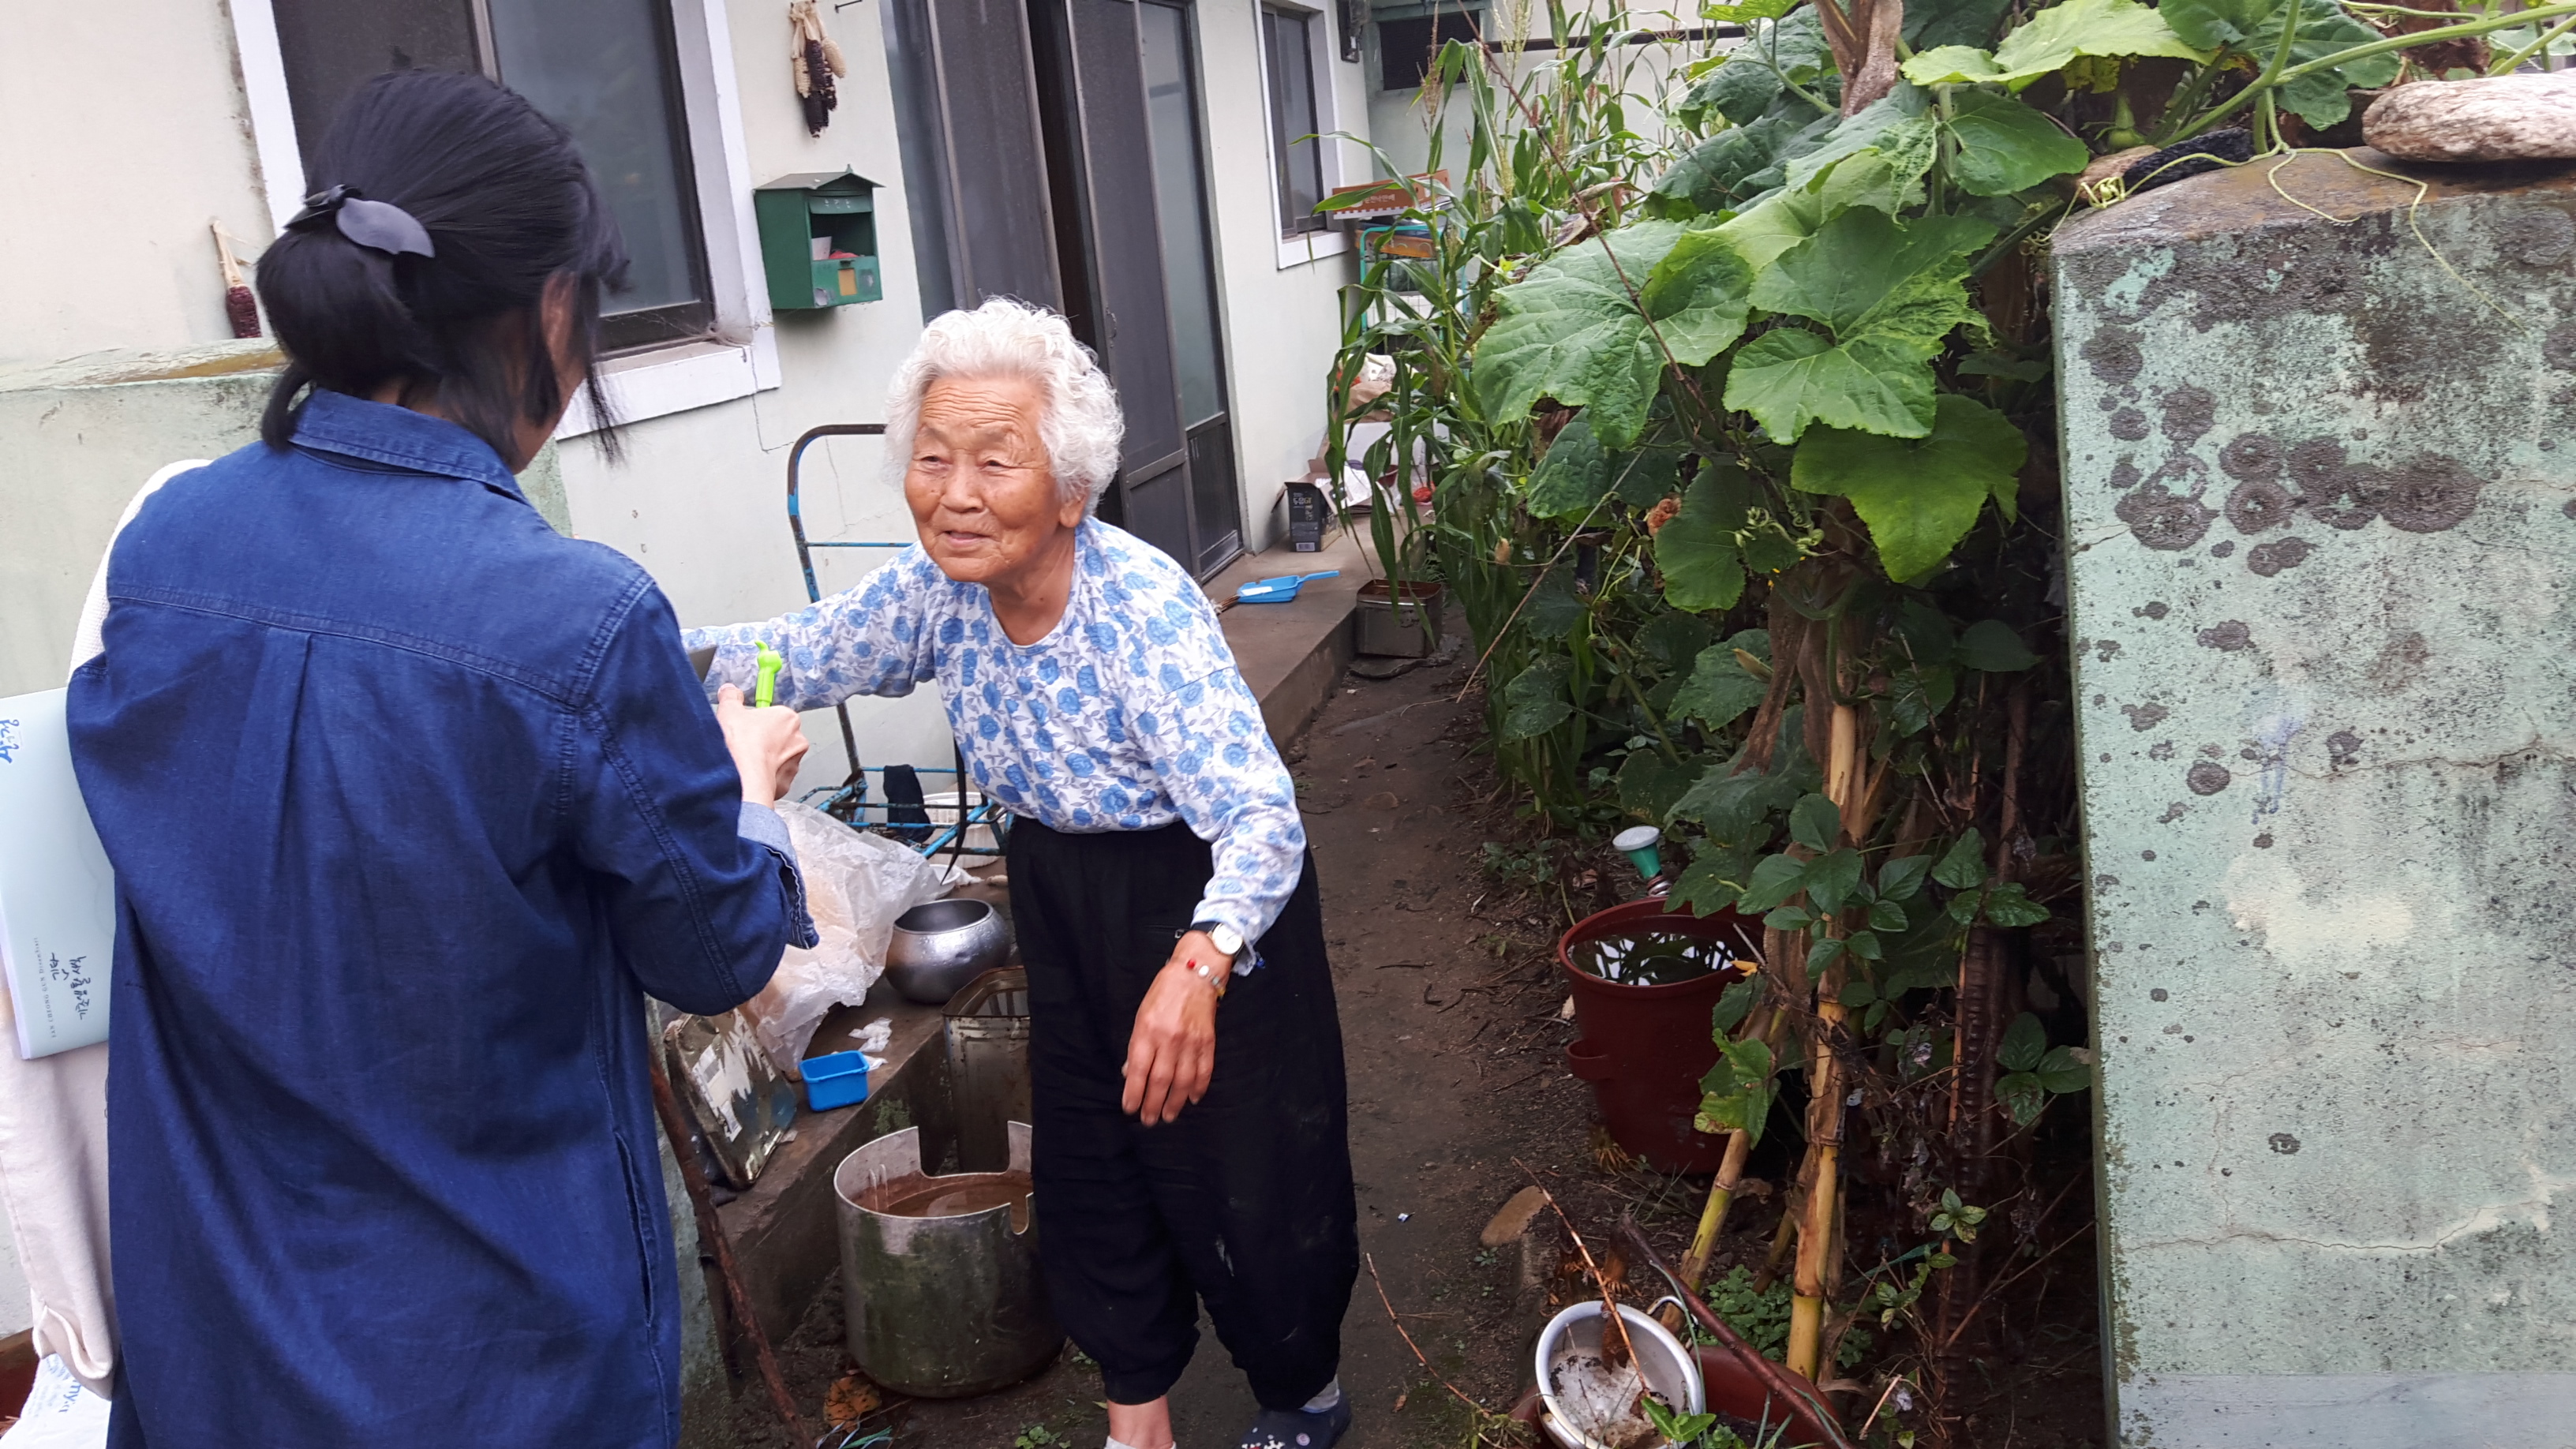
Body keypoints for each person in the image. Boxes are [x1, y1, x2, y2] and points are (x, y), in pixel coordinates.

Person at [65, 70, 816, 1447]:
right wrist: (749, 792)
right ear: (546, 311)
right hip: (494, 1363)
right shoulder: (574, 622)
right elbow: (714, 953)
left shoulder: (160, 554)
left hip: (217, 1345)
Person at [691, 298, 1359, 1449]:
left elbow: (1260, 818)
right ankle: (1137, 1409)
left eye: (994, 461)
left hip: (1204, 901)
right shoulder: (936, 588)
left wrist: (1198, 968)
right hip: (1058, 893)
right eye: (933, 457)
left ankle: (1303, 1389)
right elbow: (799, 651)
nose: (953, 492)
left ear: (1069, 492)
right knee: (1094, 1152)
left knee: (1243, 1166)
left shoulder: (1140, 612)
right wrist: (617, 653)